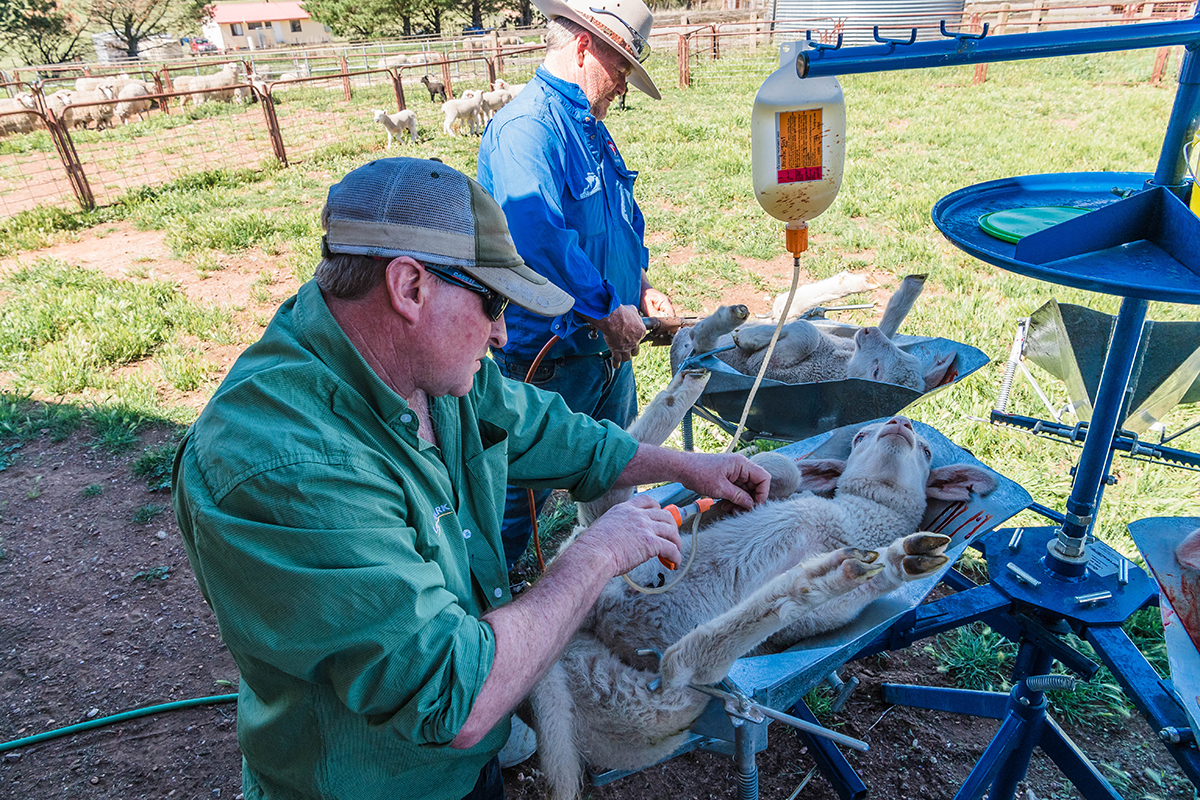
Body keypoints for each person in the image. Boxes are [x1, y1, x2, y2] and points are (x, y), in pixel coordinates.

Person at [171, 157, 770, 800]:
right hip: (381, 782)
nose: (502, 332)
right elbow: (453, 700)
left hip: (461, 762)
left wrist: (685, 464)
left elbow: (539, 428)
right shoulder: (290, 469)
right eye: (491, 302)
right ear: (410, 287)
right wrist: (598, 553)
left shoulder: (415, 361)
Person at [477, 0, 674, 570]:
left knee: (615, 470)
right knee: (522, 493)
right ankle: (486, 616)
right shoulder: (528, 127)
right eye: (621, 70)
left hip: (605, 349)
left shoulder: (588, 127)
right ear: (585, 47)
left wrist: (638, 286)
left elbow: (613, 218)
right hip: (552, 357)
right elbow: (536, 232)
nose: (622, 90)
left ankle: (618, 585)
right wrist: (607, 310)